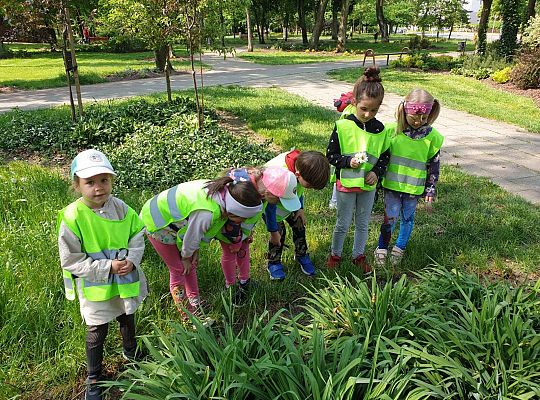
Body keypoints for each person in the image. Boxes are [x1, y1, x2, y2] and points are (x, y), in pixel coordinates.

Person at [57, 149, 147, 400]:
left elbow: (137, 234)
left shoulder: (121, 208)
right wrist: (108, 267)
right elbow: (71, 260)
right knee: (97, 329)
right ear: (77, 185)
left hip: (125, 282)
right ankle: (94, 376)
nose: (99, 187)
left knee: (127, 317)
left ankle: (132, 353)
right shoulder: (72, 217)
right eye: (90, 182)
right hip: (96, 287)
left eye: (104, 180)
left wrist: (131, 259)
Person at [139, 176, 263, 317]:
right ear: (234, 211)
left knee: (190, 265)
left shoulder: (222, 195)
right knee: (179, 269)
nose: (244, 221)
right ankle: (186, 314)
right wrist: (186, 256)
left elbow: (194, 233)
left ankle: (194, 301)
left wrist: (193, 252)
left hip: (175, 223)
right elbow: (192, 237)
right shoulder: (208, 213)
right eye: (244, 218)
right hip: (158, 224)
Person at [326, 67, 392, 273]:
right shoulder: (343, 126)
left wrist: (377, 172)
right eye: (363, 108)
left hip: (367, 187)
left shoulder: (381, 130)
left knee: (363, 223)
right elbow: (330, 155)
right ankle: (335, 254)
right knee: (342, 223)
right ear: (354, 101)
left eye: (373, 110)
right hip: (346, 185)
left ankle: (358, 255)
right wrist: (347, 161)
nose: (367, 114)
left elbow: (384, 156)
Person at [374, 88, 443, 266]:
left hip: (414, 188)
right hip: (392, 185)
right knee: (390, 217)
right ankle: (382, 246)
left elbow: (434, 166)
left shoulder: (433, 137)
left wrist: (431, 188)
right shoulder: (391, 131)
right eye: (414, 118)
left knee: (407, 218)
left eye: (423, 118)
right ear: (404, 111)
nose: (418, 122)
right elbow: (381, 157)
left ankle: (400, 247)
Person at [264, 150, 330, 279]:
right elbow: (269, 207)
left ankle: (301, 254)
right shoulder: (279, 175)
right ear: (298, 175)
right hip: (272, 206)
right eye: (310, 185)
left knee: (299, 225)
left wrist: (300, 209)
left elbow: (298, 189)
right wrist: (273, 231)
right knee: (279, 234)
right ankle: (274, 262)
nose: (309, 188)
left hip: (289, 201)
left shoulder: (301, 170)